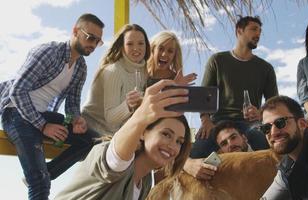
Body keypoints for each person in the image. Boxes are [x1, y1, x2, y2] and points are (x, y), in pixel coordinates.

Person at [0, 13, 104, 199]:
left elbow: (72, 103)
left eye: (98, 41)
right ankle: (40, 177)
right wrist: (43, 126)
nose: (94, 44)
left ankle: (46, 172)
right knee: (39, 184)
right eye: (90, 38)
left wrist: (76, 120)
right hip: (16, 114)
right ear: (75, 31)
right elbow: (17, 92)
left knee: (93, 141)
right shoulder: (48, 53)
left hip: (43, 116)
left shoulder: (81, 67)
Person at [55, 80, 192, 200]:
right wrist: (140, 116)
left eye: (179, 141)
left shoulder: (145, 182)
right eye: (166, 134)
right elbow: (116, 160)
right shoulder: (111, 157)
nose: (172, 146)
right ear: (143, 132)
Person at [191, 15, 278, 158]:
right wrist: (205, 121)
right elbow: (204, 95)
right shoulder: (217, 60)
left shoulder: (266, 68)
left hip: (252, 123)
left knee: (267, 150)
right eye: (253, 29)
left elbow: (273, 104)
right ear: (239, 31)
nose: (258, 34)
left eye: (260, 31)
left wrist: (260, 112)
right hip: (218, 121)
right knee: (197, 152)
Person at [82, 24, 150, 135]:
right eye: (130, 44)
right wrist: (128, 104)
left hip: (117, 133)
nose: (136, 48)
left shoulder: (144, 71)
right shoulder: (114, 71)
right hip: (92, 129)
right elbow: (111, 118)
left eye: (141, 43)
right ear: (122, 46)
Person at [184, 120, 253, 180]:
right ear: (221, 151)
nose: (230, 144)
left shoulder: (262, 148)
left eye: (233, 137)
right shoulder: (216, 164)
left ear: (244, 138)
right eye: (224, 143)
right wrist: (188, 164)